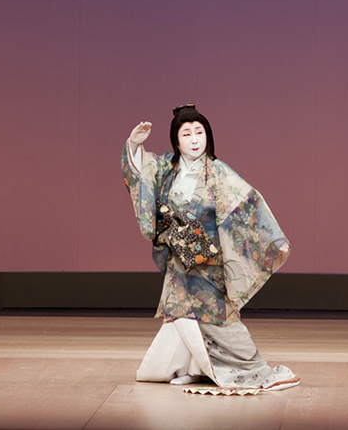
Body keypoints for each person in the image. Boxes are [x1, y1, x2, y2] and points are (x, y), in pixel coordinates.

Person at [121, 104, 299, 391]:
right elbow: (142, 178)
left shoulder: (219, 172)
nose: (194, 140)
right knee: (182, 315)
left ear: (208, 136)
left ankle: (254, 367)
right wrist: (133, 145)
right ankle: (196, 369)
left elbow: (247, 205)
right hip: (180, 258)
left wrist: (272, 239)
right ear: (176, 140)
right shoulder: (166, 169)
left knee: (217, 317)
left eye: (199, 132)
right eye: (186, 133)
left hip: (208, 260)